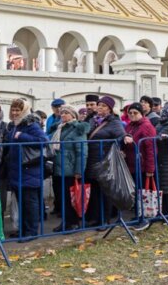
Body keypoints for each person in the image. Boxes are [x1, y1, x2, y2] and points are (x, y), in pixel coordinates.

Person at [0, 99, 47, 238]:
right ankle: (24, 230)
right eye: (13, 110)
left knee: (30, 203)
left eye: (18, 110)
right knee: (22, 203)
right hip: (18, 170)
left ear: (24, 111)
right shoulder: (16, 125)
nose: (14, 113)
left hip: (29, 169)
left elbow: (43, 141)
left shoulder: (31, 124)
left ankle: (31, 232)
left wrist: (22, 136)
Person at [85, 96, 125, 227]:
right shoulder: (92, 120)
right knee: (95, 190)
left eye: (103, 106)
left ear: (109, 108)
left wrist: (127, 138)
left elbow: (121, 135)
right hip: (92, 159)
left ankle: (104, 220)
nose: (99, 108)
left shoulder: (114, 122)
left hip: (105, 160)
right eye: (99, 105)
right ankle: (95, 218)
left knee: (104, 191)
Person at [50, 105, 89, 232]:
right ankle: (66, 222)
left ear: (73, 115)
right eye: (61, 113)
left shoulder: (77, 129)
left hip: (70, 169)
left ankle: (73, 223)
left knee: (70, 198)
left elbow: (81, 151)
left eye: (66, 113)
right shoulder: (60, 128)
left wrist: (79, 170)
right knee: (63, 197)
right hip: (59, 167)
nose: (63, 115)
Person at [123, 104, 156, 229]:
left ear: (141, 113)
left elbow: (151, 149)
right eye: (130, 113)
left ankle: (144, 219)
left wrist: (150, 169)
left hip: (142, 165)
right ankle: (138, 216)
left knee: (143, 193)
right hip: (131, 164)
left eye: (135, 113)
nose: (132, 115)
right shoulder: (129, 126)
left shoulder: (147, 127)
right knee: (136, 193)